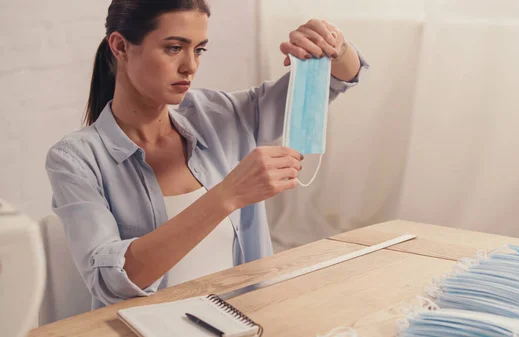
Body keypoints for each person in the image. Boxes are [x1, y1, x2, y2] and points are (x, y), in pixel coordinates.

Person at [45, 0, 368, 309]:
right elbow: (111, 281)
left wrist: (332, 46)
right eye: (173, 48)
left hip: (248, 318)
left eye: (198, 49)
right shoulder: (75, 160)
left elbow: (339, 77)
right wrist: (228, 194)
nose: (190, 66)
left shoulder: (219, 115)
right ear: (120, 46)